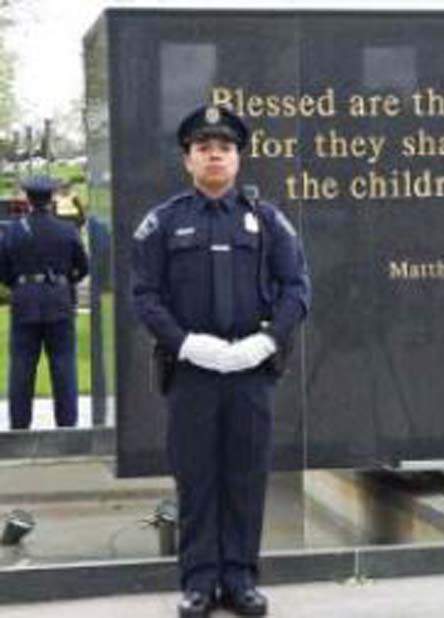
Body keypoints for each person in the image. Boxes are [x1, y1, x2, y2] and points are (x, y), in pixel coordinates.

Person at [131, 105, 310, 618]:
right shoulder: (163, 223)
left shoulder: (268, 220)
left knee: (246, 475)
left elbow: (298, 288)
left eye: (225, 147)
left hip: (251, 371)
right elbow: (145, 296)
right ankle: (198, 582)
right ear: (188, 159)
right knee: (197, 477)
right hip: (192, 372)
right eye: (204, 147)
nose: (215, 155)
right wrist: (187, 344)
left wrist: (268, 341)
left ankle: (240, 579)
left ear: (238, 159)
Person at [0, 175, 89, 429]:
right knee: (63, 366)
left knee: (22, 367)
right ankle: (67, 424)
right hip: (59, 301)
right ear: (51, 198)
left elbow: (3, 270)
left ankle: (19, 426)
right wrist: (62, 281)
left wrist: (21, 284)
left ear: (28, 199)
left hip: (25, 301)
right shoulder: (66, 230)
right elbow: (82, 267)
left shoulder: (14, 230)